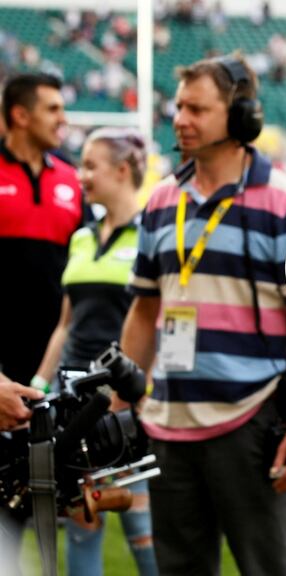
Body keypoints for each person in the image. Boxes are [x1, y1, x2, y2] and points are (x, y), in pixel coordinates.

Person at [119, 55, 286, 575]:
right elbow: (145, 310)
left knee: (267, 567)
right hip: (167, 425)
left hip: (251, 422)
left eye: (196, 109)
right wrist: (123, 401)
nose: (180, 120)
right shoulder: (161, 200)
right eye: (178, 107)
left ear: (242, 117)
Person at [31, 127, 156, 576]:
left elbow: (153, 322)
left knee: (144, 529)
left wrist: (137, 393)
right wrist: (40, 386)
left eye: (90, 165)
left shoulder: (150, 235)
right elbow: (65, 325)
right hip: (72, 397)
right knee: (83, 517)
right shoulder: (82, 237)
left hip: (123, 400)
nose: (80, 175)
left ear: (122, 171)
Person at [0, 72, 82, 558]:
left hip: (50, 371)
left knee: (45, 508)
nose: (62, 119)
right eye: (52, 108)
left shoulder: (71, 180)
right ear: (20, 115)